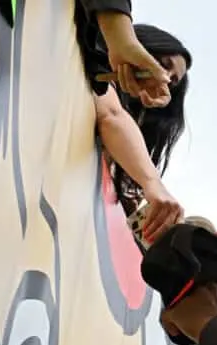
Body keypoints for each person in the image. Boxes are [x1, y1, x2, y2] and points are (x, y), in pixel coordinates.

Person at [78, 12, 192, 242]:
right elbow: (111, 114)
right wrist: (153, 184)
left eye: (173, 80)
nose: (166, 78)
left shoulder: (127, 174)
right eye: (164, 64)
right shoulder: (85, 54)